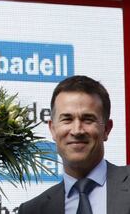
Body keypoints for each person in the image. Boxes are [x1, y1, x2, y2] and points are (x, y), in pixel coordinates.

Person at [18, 75, 130, 214]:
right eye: (67, 119)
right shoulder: (32, 210)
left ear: (106, 129)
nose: (77, 131)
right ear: (52, 129)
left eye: (88, 119)